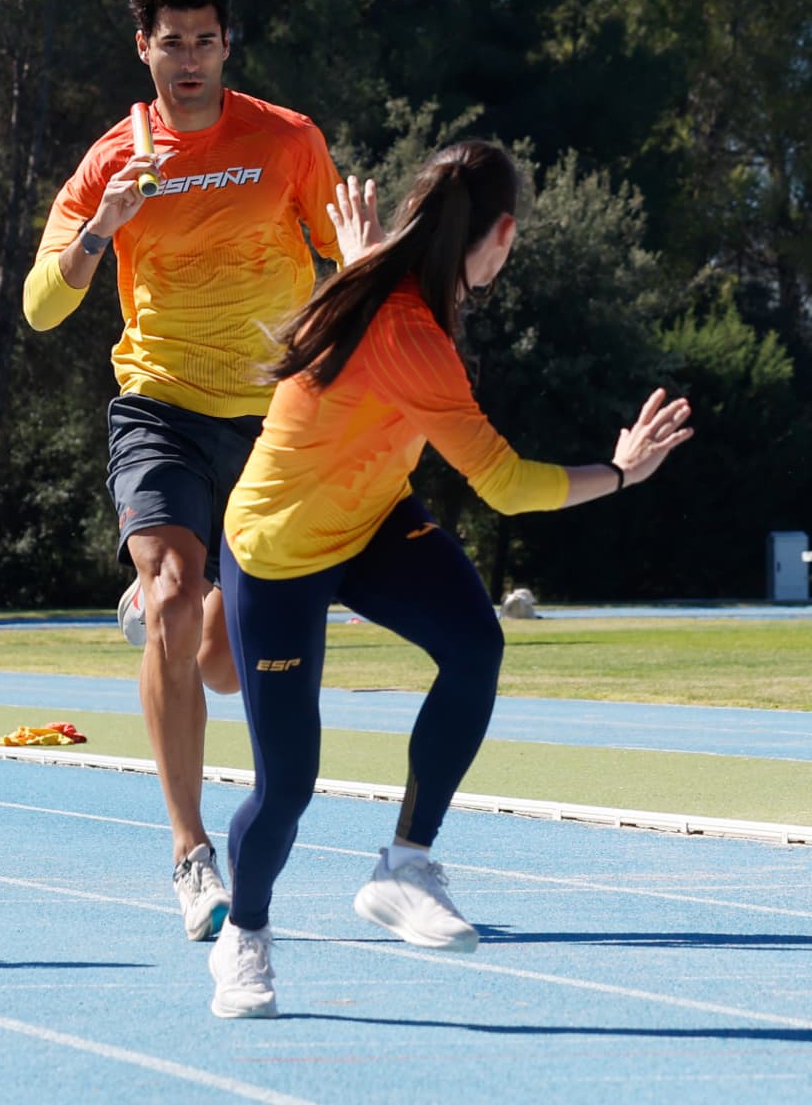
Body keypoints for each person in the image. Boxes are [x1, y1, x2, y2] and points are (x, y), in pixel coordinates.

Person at [205, 140, 694, 1019]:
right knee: (288, 790)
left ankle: (405, 864)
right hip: (278, 550)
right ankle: (245, 938)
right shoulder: (409, 333)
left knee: (475, 643)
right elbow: (506, 484)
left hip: (371, 518)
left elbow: (376, 315)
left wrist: (359, 254)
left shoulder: (392, 290)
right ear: (500, 235)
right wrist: (621, 472)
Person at [22, 0, 370, 941]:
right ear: (144, 50)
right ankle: (188, 852)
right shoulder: (111, 160)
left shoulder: (288, 140)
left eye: (204, 39)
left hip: (270, 418)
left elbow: (345, 259)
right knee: (175, 599)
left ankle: (170, 604)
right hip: (161, 408)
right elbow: (42, 309)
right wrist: (104, 226)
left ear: (227, 46)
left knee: (222, 662)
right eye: (169, 41)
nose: (188, 58)